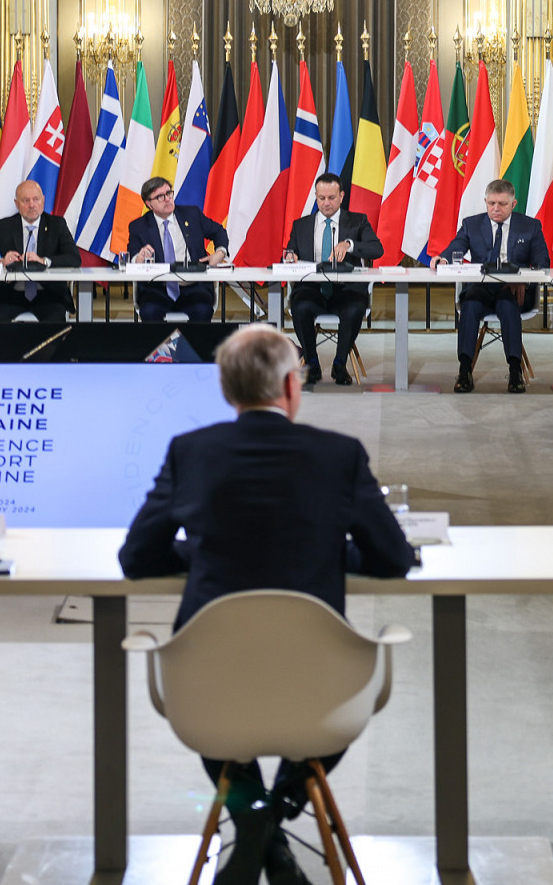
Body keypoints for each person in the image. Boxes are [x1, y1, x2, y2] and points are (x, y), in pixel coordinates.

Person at [119, 325, 416, 885]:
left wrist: (202, 552)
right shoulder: (339, 455)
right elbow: (393, 558)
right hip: (322, 688)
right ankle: (277, 811)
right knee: (335, 713)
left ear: (227, 390)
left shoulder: (190, 452)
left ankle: (256, 819)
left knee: (218, 724)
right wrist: (332, 553)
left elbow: (137, 557)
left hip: (206, 689)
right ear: (291, 385)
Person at [434, 178, 550, 394]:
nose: (496, 208)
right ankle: (464, 370)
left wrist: (523, 280)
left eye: (502, 204)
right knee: (469, 306)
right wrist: (443, 258)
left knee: (508, 305)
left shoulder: (530, 226)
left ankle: (515, 371)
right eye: (491, 203)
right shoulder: (471, 224)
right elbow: (456, 247)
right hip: (481, 291)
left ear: (513, 204)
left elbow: (542, 262)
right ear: (485, 202)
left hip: (513, 291)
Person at [284, 173, 383, 385]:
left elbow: (377, 249)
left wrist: (350, 245)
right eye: (321, 198)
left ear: (341, 196)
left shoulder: (357, 221)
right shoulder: (301, 225)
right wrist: (290, 257)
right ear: (316, 196)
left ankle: (340, 364)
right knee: (300, 306)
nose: (326, 203)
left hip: (346, 290)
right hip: (312, 289)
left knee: (355, 308)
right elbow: (290, 251)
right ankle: (312, 364)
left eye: (331, 198)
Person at [122, 176, 230, 323]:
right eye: (160, 197)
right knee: (150, 312)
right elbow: (132, 256)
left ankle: (193, 340)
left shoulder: (192, 215)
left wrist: (220, 253)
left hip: (193, 287)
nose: (167, 199)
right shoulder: (139, 226)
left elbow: (219, 231)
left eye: (169, 193)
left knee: (202, 310)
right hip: (157, 289)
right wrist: (138, 259)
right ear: (149, 204)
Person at [0, 179, 80, 323]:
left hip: (49, 295)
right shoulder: (5, 226)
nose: (32, 205)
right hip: (10, 294)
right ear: (16, 204)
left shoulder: (56, 225)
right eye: (26, 200)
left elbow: (74, 258)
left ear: (43, 200)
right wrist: (1, 261)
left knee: (54, 325)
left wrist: (44, 261)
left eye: (36, 199)